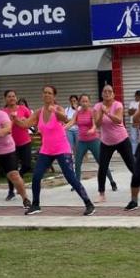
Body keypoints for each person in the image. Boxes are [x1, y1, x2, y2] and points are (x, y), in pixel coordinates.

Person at [25, 85, 95, 216]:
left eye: (49, 93)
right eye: (45, 92)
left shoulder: (58, 109)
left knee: (71, 178)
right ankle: (35, 205)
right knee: (36, 176)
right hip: (46, 150)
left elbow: (66, 119)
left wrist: (55, 112)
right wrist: (15, 119)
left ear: (54, 96)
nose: (46, 95)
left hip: (62, 149)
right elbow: (26, 124)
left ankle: (89, 204)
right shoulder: (39, 112)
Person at [95, 84, 140, 203]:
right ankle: (101, 193)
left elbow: (118, 120)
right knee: (102, 167)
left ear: (113, 94)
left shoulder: (117, 104)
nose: (107, 93)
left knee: (132, 166)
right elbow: (98, 124)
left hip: (121, 139)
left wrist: (107, 113)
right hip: (106, 142)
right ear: (102, 94)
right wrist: (102, 113)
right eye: (105, 91)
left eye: (109, 91)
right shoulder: (98, 106)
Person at [71, 93, 113, 190]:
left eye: (86, 101)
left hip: (93, 140)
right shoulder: (77, 112)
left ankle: (112, 181)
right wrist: (64, 127)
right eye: (83, 101)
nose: (85, 103)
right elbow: (72, 122)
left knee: (101, 162)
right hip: (81, 141)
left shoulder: (92, 111)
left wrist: (93, 129)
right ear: (80, 102)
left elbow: (95, 124)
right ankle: (77, 184)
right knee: (77, 163)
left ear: (89, 102)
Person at [3, 90, 34, 201]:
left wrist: (25, 120)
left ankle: (17, 180)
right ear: (5, 99)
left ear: (16, 98)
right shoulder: (3, 112)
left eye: (13, 96)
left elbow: (32, 121)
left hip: (25, 142)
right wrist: (11, 121)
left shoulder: (23, 109)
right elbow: (2, 127)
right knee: (12, 169)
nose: (11, 98)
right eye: (9, 96)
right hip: (9, 145)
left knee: (27, 165)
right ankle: (11, 191)